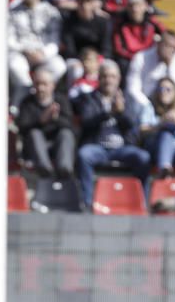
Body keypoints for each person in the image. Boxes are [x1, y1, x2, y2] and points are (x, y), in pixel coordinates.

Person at [74, 60, 151, 208]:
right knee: (84, 155)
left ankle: (142, 203)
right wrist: (108, 113)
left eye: (112, 76)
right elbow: (87, 122)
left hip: (122, 149)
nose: (108, 80)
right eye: (105, 76)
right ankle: (88, 203)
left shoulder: (128, 99)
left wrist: (121, 113)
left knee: (143, 157)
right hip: (98, 147)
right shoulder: (89, 98)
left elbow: (133, 128)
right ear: (99, 79)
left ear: (119, 79)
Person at [17, 66, 76, 178]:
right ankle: (45, 170)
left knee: (66, 134)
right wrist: (41, 120)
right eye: (38, 84)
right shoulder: (27, 102)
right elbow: (22, 128)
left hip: (57, 145)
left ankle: (65, 170)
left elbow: (69, 125)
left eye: (44, 84)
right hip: (35, 148)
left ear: (52, 85)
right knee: (35, 133)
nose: (41, 88)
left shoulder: (61, 100)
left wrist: (54, 119)